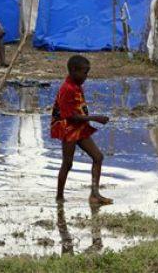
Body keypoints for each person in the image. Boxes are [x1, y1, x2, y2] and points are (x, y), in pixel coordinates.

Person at [52, 55, 112, 205]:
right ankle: (59, 197)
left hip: (79, 127)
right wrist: (94, 118)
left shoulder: (76, 85)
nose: (86, 76)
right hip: (69, 129)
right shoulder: (67, 89)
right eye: (84, 72)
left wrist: (89, 119)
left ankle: (95, 194)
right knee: (67, 163)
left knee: (98, 157)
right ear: (73, 71)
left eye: (87, 72)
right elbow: (69, 116)